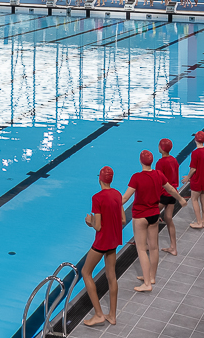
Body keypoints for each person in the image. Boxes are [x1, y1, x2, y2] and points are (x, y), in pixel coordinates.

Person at [80, 166, 126, 327]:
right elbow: (123, 220)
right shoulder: (117, 194)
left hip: (101, 242)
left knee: (85, 272)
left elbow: (98, 226)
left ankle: (99, 314)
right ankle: (112, 315)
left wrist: (89, 222)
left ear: (99, 179)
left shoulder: (97, 198)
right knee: (111, 276)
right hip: (113, 240)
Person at [121, 151, 162, 292]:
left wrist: (112, 203)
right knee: (154, 247)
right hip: (155, 214)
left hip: (141, 216)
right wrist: (180, 199)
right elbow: (168, 188)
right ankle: (151, 277)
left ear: (140, 161)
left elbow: (125, 198)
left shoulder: (137, 177)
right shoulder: (158, 174)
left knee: (142, 249)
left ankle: (147, 284)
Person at [156, 138, 188, 258]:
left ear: (161, 148)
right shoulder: (174, 160)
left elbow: (159, 181)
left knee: (149, 216)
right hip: (173, 193)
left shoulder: (160, 163)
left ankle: (149, 245)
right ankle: (173, 247)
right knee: (168, 219)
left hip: (164, 194)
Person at [184, 131, 204, 229]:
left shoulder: (195, 153)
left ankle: (199, 222)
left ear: (195, 140)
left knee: (194, 199)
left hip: (197, 180)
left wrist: (188, 177)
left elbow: (193, 168)